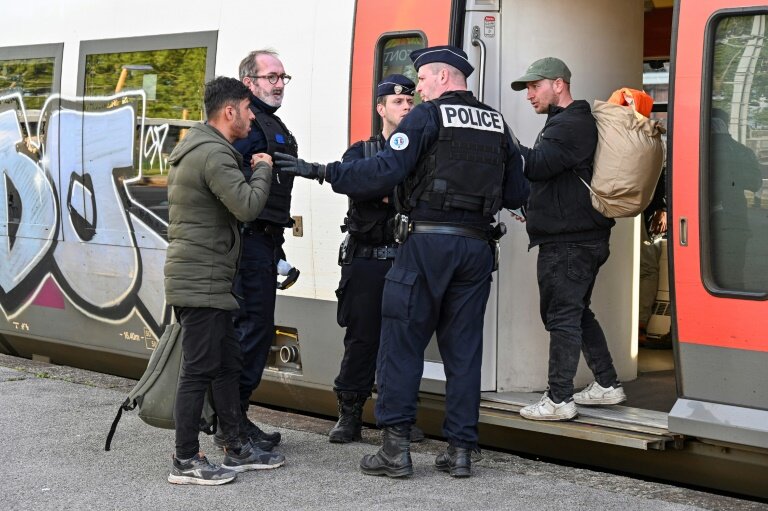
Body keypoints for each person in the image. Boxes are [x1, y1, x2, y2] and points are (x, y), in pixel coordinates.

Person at [274, 45, 529, 478]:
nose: (420, 87)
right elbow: (516, 194)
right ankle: (461, 450)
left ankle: (394, 450)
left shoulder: (427, 117)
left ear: (444, 77)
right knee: (464, 350)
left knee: (401, 341)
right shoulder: (496, 123)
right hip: (477, 249)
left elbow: (381, 171)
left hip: (427, 244)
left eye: (424, 79)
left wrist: (318, 171)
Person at [164, 76, 284, 485]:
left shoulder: (202, 148)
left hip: (211, 278)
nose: (253, 116)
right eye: (248, 109)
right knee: (198, 370)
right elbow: (247, 206)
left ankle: (235, 446)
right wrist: (263, 169)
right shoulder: (214, 154)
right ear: (229, 111)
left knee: (226, 364)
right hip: (202, 279)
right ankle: (184, 460)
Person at [510, 57, 626, 422]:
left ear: (558, 84)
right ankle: (606, 384)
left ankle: (559, 398)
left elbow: (538, 165)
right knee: (576, 312)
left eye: (534, 86)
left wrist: (503, 142)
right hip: (578, 237)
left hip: (569, 243)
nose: (529, 94)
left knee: (561, 315)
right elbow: (555, 178)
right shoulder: (563, 123)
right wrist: (530, 204)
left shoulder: (571, 123)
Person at [330, 74, 424, 444]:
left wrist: (383, 190)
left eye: (409, 102)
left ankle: (398, 418)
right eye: (398, 102)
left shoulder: (422, 153)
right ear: (381, 108)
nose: (405, 107)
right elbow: (354, 182)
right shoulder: (361, 153)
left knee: (403, 342)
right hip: (366, 260)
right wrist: (390, 189)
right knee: (361, 341)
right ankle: (349, 415)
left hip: (404, 259)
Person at [215, 49, 298, 452]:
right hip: (249, 241)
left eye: (283, 76)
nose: (280, 83)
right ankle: (230, 423)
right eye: (272, 76)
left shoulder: (271, 123)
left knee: (256, 330)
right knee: (250, 330)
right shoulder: (247, 126)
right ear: (249, 83)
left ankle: (236, 417)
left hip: (265, 241)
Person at [709, 108, 762, 290]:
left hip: (706, 220)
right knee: (734, 274)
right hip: (738, 220)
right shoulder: (743, 151)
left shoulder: (701, 151)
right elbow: (755, 183)